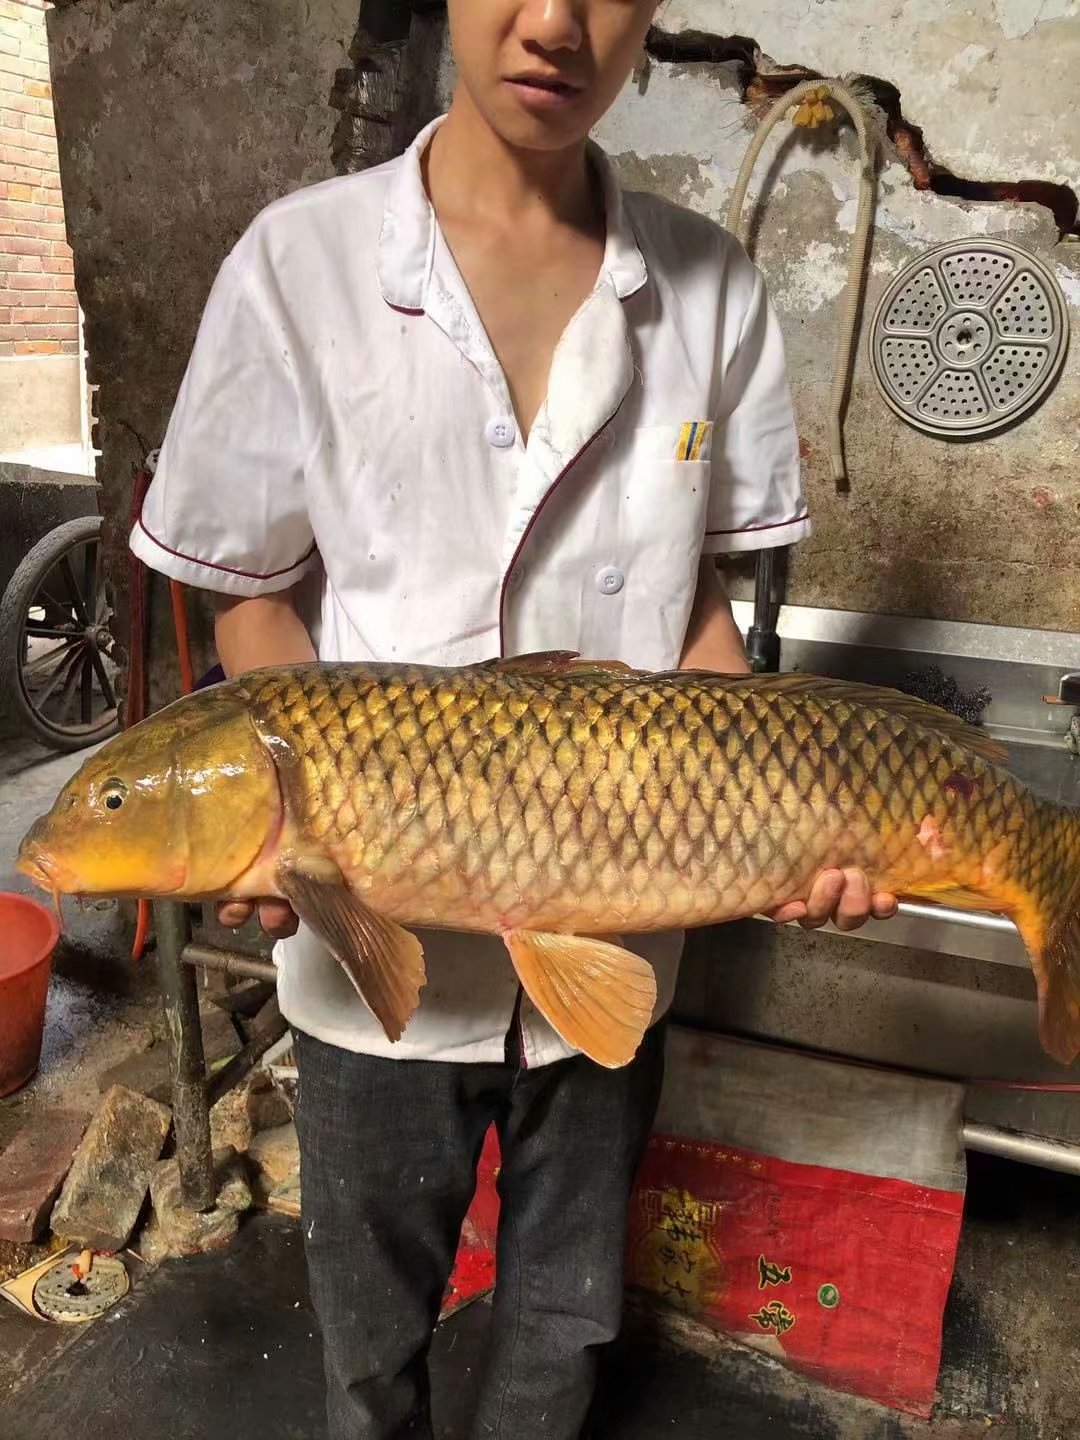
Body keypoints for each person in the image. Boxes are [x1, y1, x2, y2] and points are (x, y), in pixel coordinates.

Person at [131, 2, 897, 1435]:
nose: (554, 23)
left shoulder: (715, 288)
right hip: (378, 933)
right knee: (371, 1320)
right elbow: (252, 589)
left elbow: (695, 625)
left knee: (566, 1311)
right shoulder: (301, 266)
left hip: (616, 909)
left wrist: (800, 833)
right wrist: (282, 815)